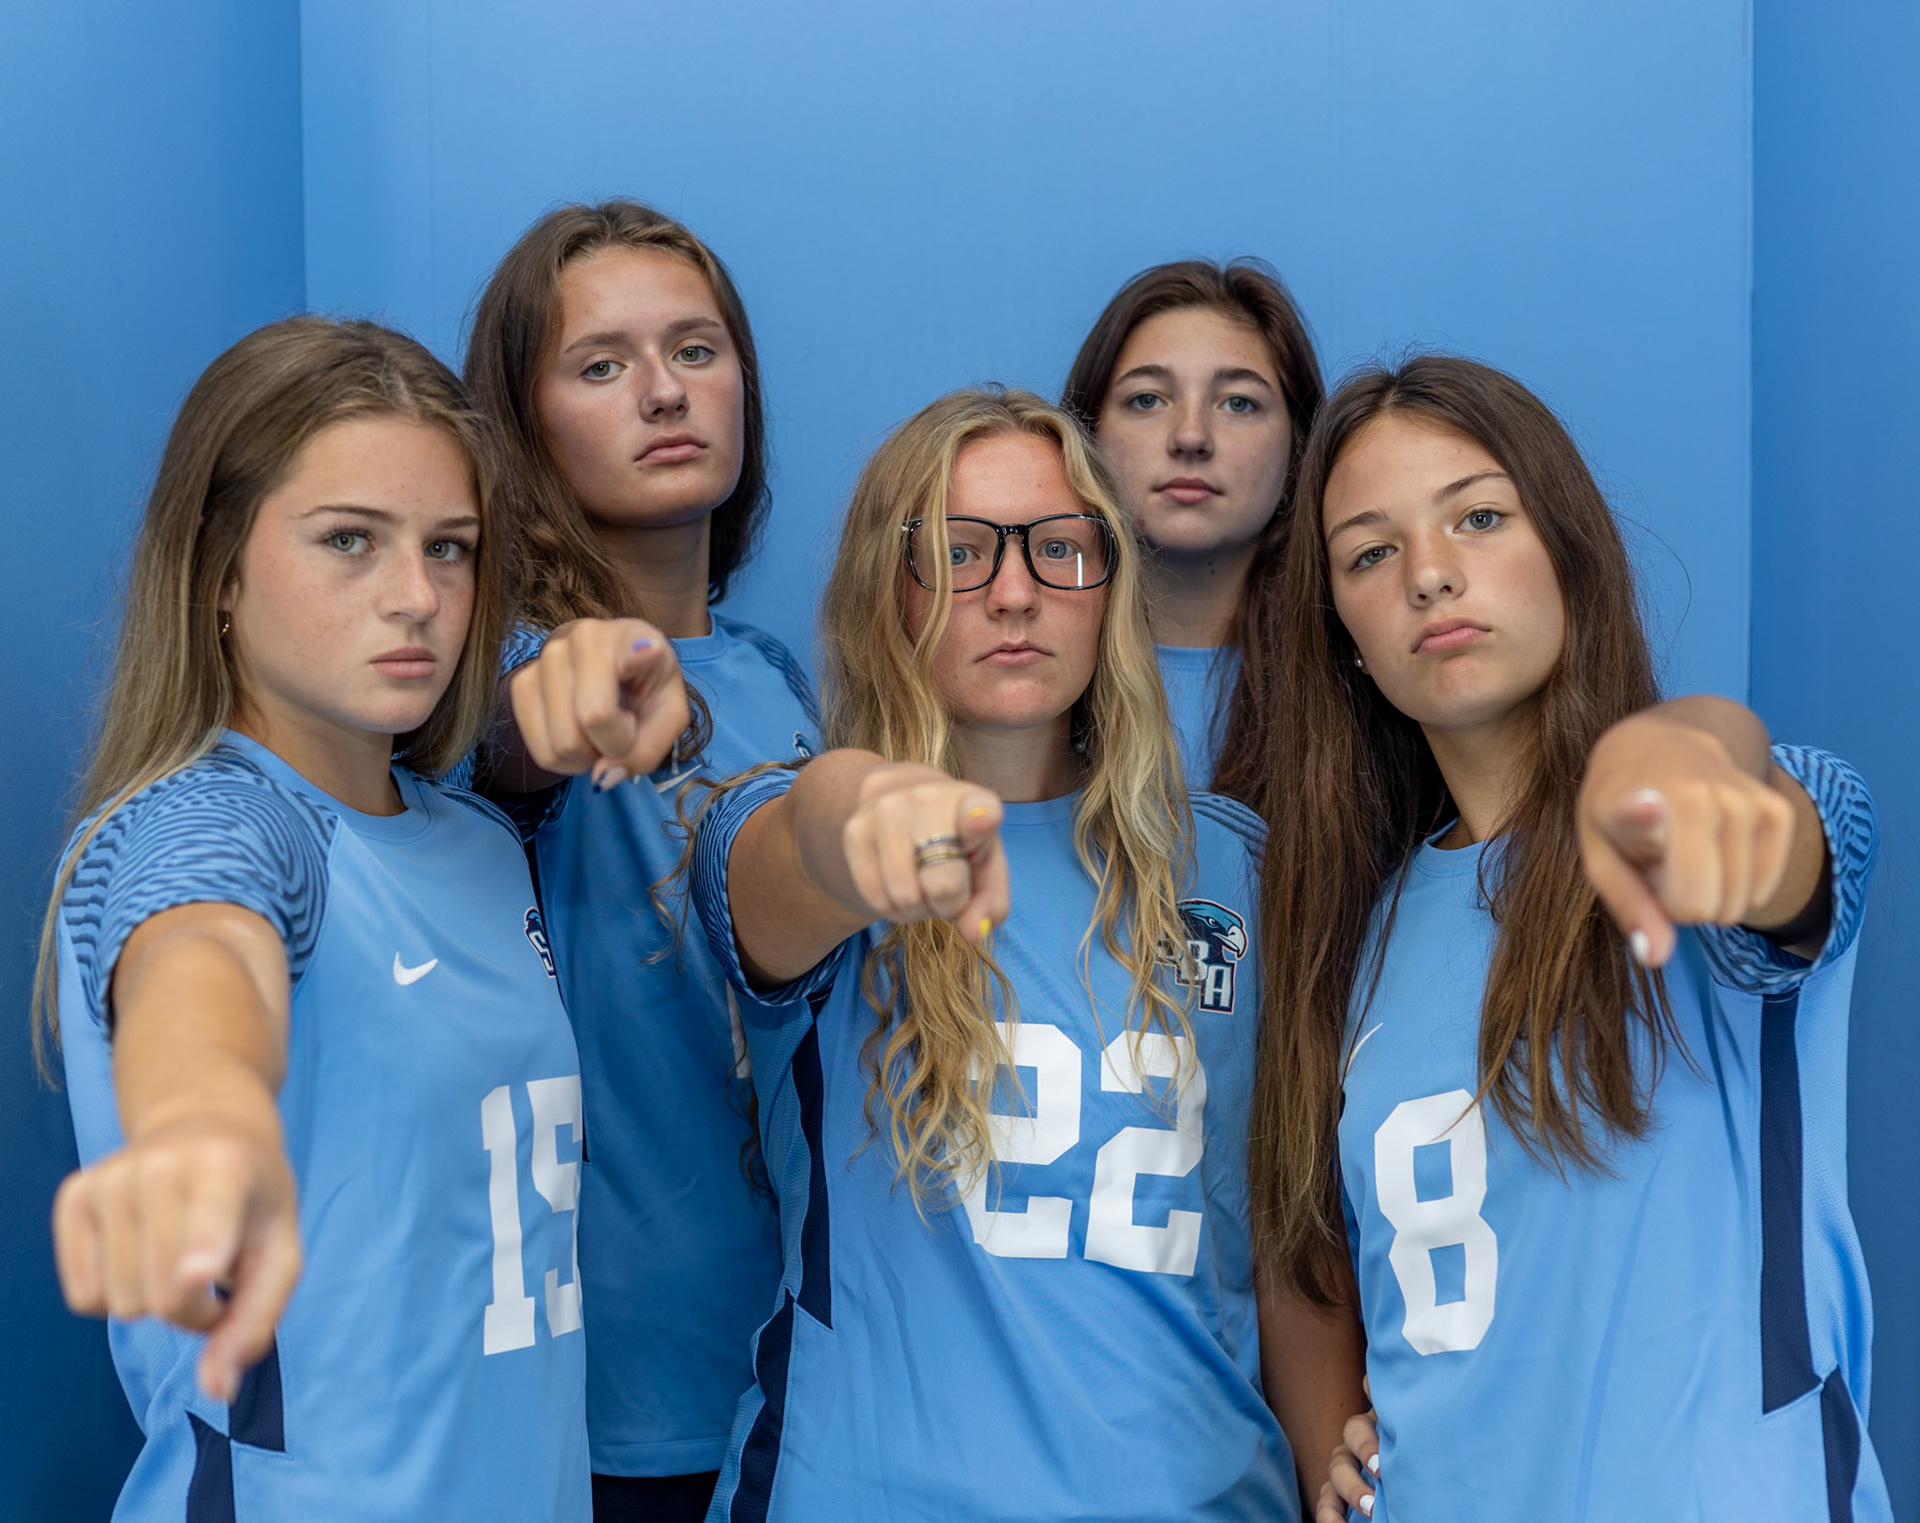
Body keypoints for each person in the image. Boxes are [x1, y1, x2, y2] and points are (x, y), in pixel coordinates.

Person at [626, 386, 1364, 1519]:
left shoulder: (1231, 870)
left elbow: (1285, 1250)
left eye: (1059, 548)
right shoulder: (791, 830)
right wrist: (857, 812)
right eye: (957, 552)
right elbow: (800, 843)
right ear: (890, 586)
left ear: (1109, 585)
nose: (1014, 591)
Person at [41, 317, 684, 1519]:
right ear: (219, 566)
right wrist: (203, 1116)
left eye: (451, 548)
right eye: (350, 540)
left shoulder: (482, 840)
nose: (417, 597)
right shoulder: (206, 822)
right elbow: (202, 947)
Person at [1233, 356, 1890, 1521]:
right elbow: (1331, 1264)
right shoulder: (1354, 934)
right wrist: (1340, 1444)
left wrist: (1680, 755)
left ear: (1572, 552)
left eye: (1479, 516)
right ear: (1343, 631)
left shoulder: (1711, 830)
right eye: (1370, 553)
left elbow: (1762, 820)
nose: (1431, 574)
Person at [465, 200, 817, 1521]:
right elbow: (510, 732)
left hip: (795, 1364)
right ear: (525, 418)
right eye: (601, 364)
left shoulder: (774, 676)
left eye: (696, 347)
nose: (664, 390)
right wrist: (563, 695)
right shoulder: (507, 665)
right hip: (624, 1392)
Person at [1062, 258, 1322, 790]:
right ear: (1084, 433)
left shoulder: (1361, 664)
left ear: (1299, 446)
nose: (1190, 436)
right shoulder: (1018, 656)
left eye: (1238, 403)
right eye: (1147, 399)